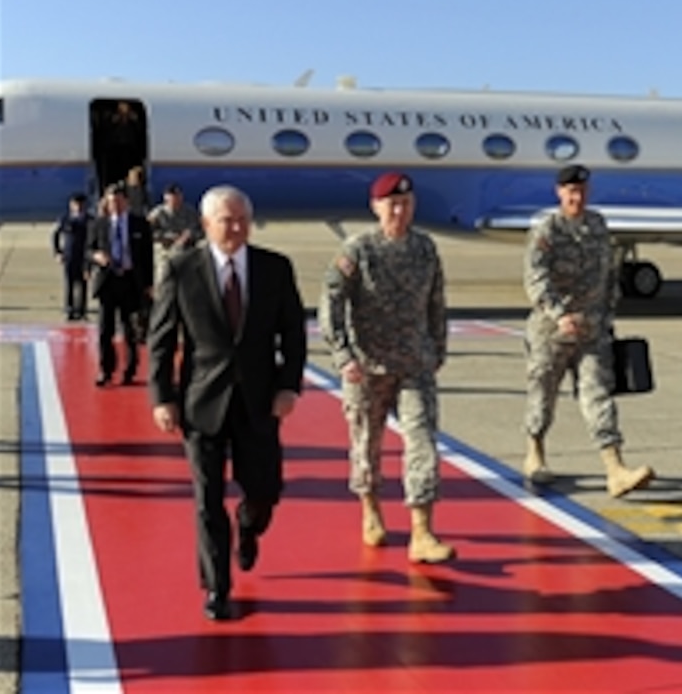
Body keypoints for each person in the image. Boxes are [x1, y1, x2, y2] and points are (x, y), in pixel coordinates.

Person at [148, 185, 306, 621]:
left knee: (265, 490)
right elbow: (161, 340)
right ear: (205, 224)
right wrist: (162, 397)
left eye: (242, 219)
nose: (235, 228)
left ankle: (249, 527)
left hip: (260, 402)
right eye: (225, 220)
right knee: (206, 498)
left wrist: (289, 386)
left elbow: (292, 333)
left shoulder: (274, 268)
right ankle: (216, 588)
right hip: (202, 403)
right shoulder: (181, 270)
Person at [318, 171, 453, 564]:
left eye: (406, 204)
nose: (399, 210)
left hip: (415, 363)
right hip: (368, 366)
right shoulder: (358, 249)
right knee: (366, 445)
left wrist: (438, 348)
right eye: (391, 204)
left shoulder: (425, 248)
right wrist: (343, 356)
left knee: (423, 441)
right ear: (376, 207)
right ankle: (371, 510)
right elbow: (332, 304)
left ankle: (422, 532)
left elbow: (437, 302)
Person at [522, 164, 655, 497]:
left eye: (581, 191)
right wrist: (558, 313)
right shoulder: (546, 230)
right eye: (570, 192)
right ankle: (534, 453)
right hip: (551, 332)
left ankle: (615, 469)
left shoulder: (597, 225)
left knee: (598, 395)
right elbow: (535, 279)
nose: (576, 198)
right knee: (543, 395)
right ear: (559, 193)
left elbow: (608, 273)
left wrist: (608, 313)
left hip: (592, 331)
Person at [86, 183, 154, 386]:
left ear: (126, 202)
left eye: (118, 201)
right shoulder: (99, 224)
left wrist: (149, 284)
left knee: (130, 330)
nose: (114, 205)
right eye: (110, 201)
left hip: (130, 281)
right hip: (108, 281)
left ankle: (130, 370)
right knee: (105, 330)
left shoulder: (140, 224)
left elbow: (147, 257)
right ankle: (106, 370)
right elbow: (88, 250)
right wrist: (95, 256)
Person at [147, 183, 202, 278]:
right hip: (165, 252)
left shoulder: (190, 212)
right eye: (172, 198)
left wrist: (189, 235)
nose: (175, 200)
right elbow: (147, 233)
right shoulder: (158, 214)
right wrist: (167, 237)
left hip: (187, 250)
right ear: (166, 198)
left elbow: (200, 231)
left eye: (178, 196)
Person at [52, 192, 92, 321]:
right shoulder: (65, 219)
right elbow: (55, 236)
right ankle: (69, 309)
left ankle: (82, 310)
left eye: (80, 204)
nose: (78, 207)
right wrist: (57, 252)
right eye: (75, 204)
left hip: (84, 256)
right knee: (69, 283)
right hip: (69, 256)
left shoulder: (90, 220)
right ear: (70, 205)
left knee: (83, 284)